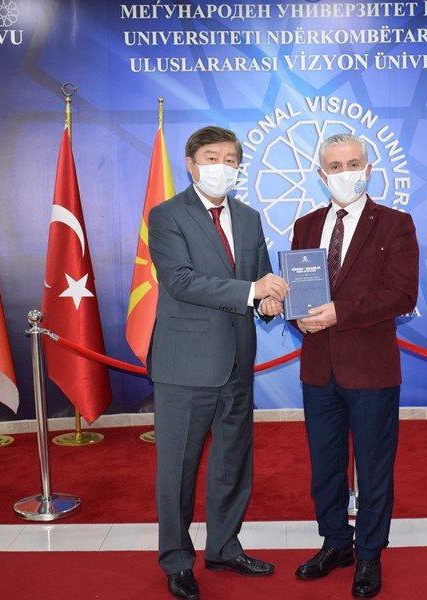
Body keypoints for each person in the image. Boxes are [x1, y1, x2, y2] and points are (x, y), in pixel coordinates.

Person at [148, 125, 286, 600]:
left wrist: (270, 301)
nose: (222, 167)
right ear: (190, 163)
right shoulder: (167, 215)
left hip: (237, 362)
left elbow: (259, 277)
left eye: (230, 159)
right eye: (211, 157)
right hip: (184, 365)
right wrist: (252, 291)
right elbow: (180, 280)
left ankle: (224, 547)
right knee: (178, 471)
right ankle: (176, 560)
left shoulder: (248, 217)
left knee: (232, 463)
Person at [290, 133, 419, 598]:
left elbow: (402, 294)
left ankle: (368, 554)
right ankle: (335, 543)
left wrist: (339, 313)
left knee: (373, 467)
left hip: (371, 370)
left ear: (369, 169)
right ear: (321, 174)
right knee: (325, 467)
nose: (345, 173)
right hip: (318, 370)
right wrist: (297, 316)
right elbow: (299, 289)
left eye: (353, 164)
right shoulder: (305, 225)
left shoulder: (395, 224)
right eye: (335, 166)